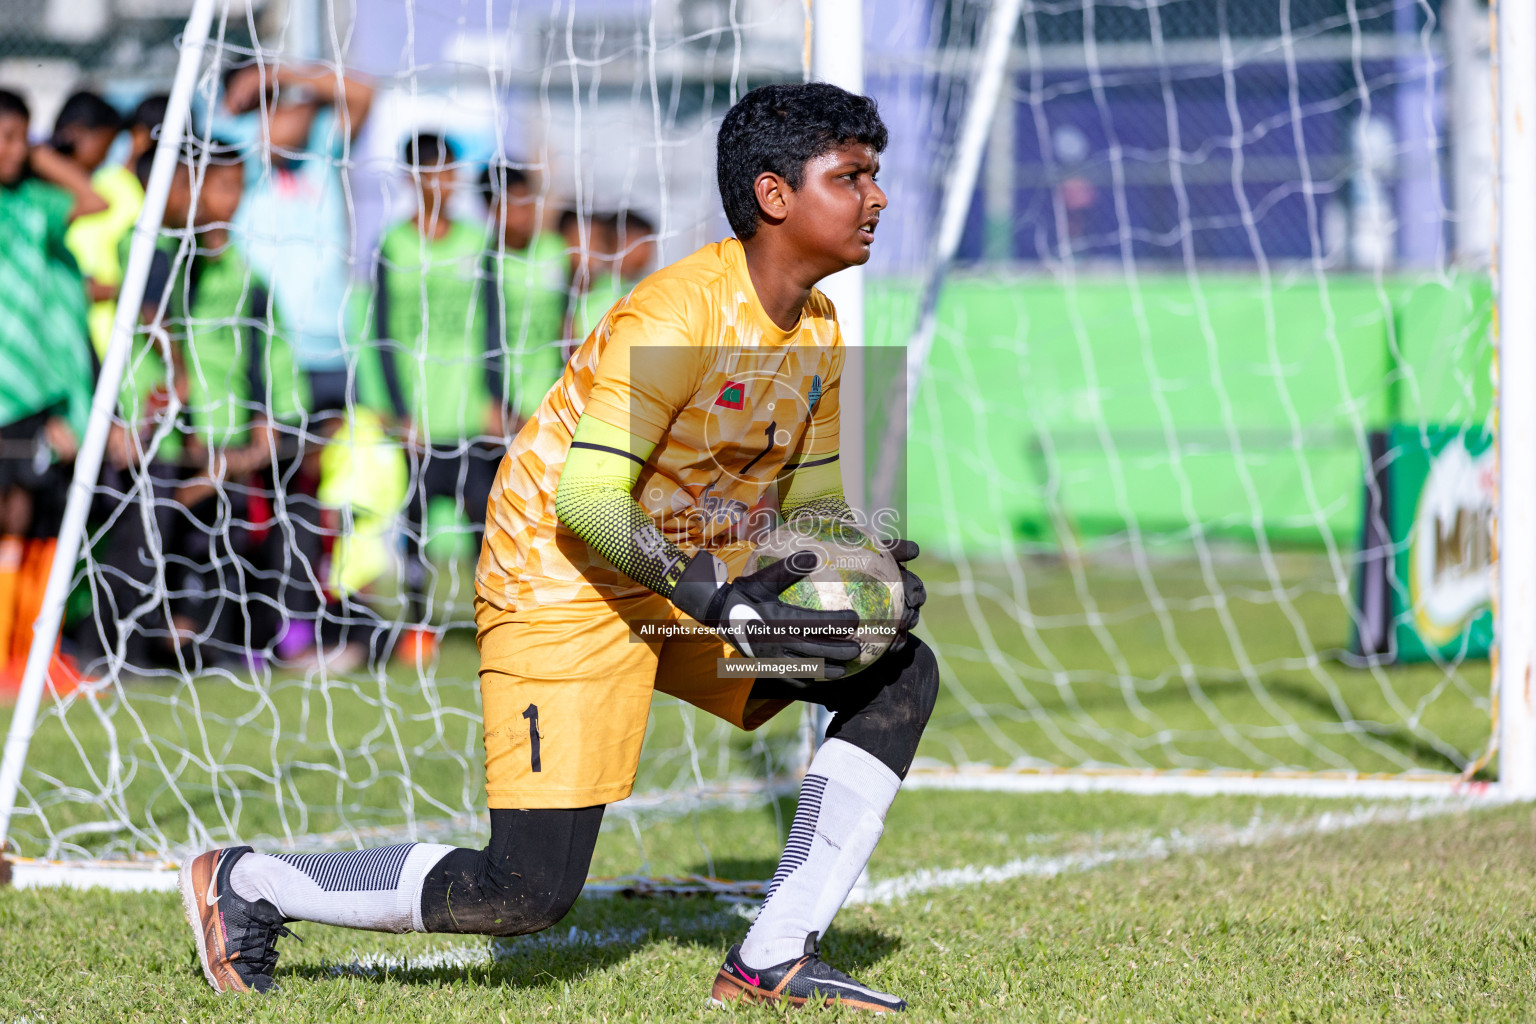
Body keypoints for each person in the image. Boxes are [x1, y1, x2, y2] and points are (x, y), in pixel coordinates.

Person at [179, 82, 933, 1013]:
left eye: (875, 176)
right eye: (853, 176)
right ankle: (251, 882)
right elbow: (586, 499)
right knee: (525, 893)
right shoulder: (674, 316)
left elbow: (811, 504)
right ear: (775, 196)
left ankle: (772, 954)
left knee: (895, 668)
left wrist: (860, 565)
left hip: (671, 577)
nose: (878, 198)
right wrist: (721, 598)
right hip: (560, 577)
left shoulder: (818, 332)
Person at [373, 132, 506, 662]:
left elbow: (493, 326)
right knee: (417, 526)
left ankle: (491, 621)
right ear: (411, 178)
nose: (440, 183)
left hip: (468, 410)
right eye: (429, 171)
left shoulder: (478, 241)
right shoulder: (394, 245)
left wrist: (495, 396)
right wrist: (398, 411)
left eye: (448, 172)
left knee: (482, 520)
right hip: (419, 415)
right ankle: (417, 625)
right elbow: (381, 332)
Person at [0, 88, 105, 688]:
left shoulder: (34, 201)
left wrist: (36, 153)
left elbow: (90, 197)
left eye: (24, 136)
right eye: (7, 137)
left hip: (36, 390)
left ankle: (29, 654)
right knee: (9, 516)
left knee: (39, 514)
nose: (17, 149)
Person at [218, 57, 373, 413]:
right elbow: (279, 135)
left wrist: (283, 73)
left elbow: (365, 94)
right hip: (268, 342)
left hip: (334, 339)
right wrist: (301, 99)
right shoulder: (232, 145)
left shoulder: (319, 138)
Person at [65, 93, 169, 358]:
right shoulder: (105, 190)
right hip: (99, 343)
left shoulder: (158, 200)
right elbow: (84, 276)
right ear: (139, 136)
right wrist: (131, 291)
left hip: (136, 349)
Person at [479, 161, 566, 426]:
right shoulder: (487, 262)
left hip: (554, 399)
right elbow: (484, 337)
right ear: (493, 210)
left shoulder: (556, 250)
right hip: (507, 405)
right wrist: (497, 401)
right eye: (513, 204)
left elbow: (568, 316)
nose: (524, 213)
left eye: (527, 202)